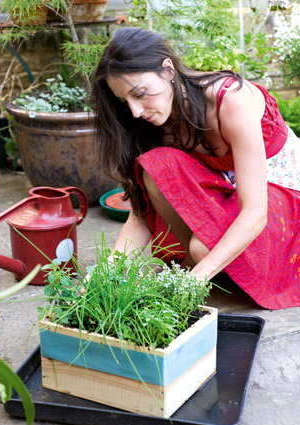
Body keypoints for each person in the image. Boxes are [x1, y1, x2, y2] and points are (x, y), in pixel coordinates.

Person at [91, 27, 300, 310]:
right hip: (227, 189)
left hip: (280, 190)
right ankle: (207, 259)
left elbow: (255, 211)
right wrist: (104, 278)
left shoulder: (230, 101)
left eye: (140, 93)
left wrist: (194, 279)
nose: (135, 111)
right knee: (153, 167)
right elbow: (139, 217)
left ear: (168, 70)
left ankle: (206, 263)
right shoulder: (152, 124)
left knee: (205, 250)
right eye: (124, 101)